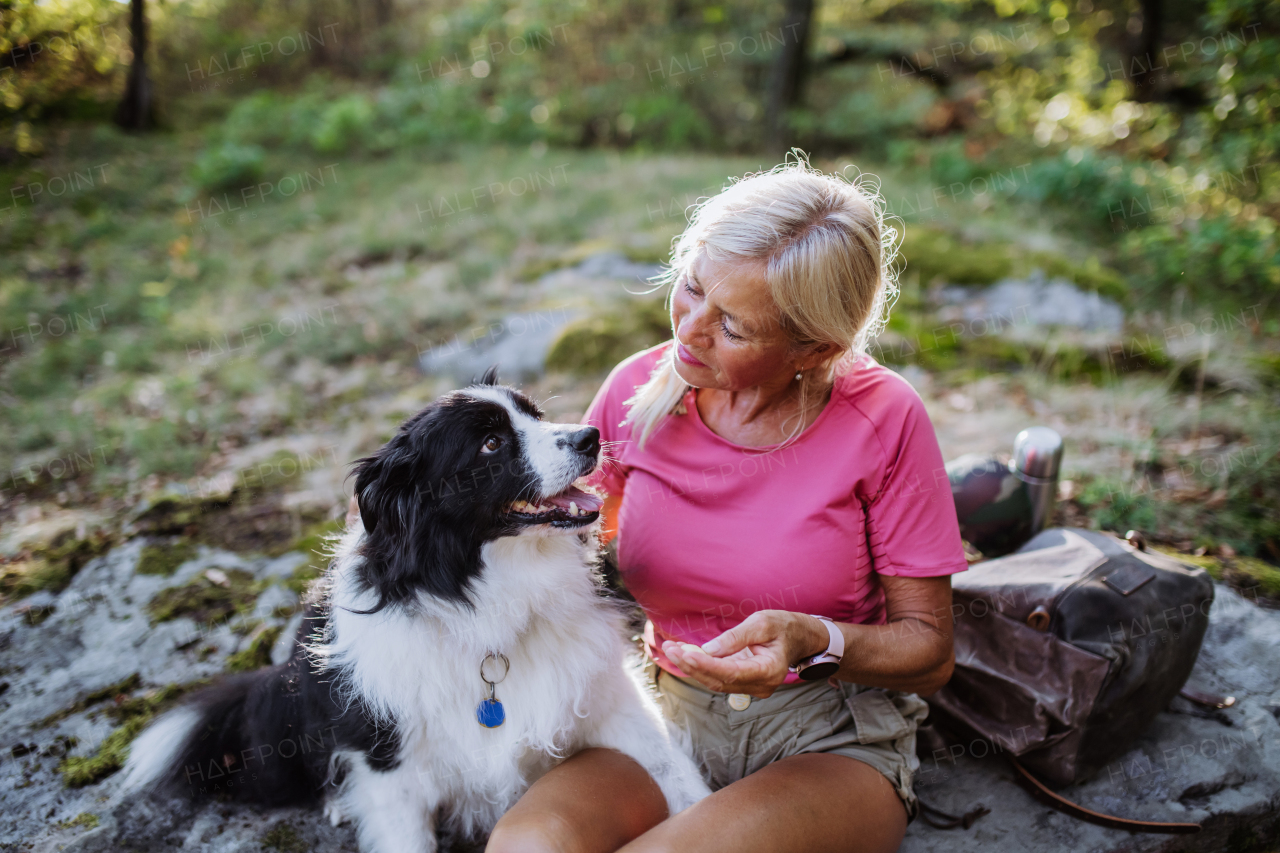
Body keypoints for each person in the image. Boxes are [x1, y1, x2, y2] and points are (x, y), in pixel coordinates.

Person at [486, 156, 969, 853]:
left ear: (813, 348)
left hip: (826, 734)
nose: (689, 329)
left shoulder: (883, 417)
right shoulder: (636, 390)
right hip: (659, 714)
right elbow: (557, 526)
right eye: (691, 287)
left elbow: (930, 651)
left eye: (734, 327)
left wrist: (814, 639)